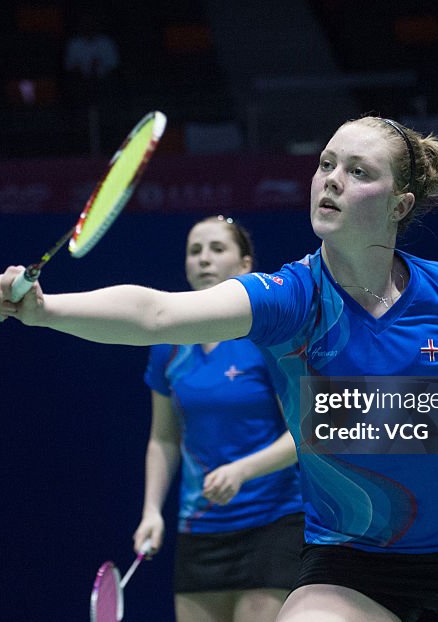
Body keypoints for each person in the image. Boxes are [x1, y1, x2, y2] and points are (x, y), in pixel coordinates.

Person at [0, 114, 438, 621]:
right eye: (325, 164)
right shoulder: (291, 298)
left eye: (357, 172)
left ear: (400, 204)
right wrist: (44, 309)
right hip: (355, 564)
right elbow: (159, 313)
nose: (330, 181)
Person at [136, 215, 304, 622]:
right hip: (201, 525)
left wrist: (243, 471)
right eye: (195, 251)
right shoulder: (168, 348)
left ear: (246, 265)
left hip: (273, 519)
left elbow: (305, 434)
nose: (204, 259)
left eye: (216, 249)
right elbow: (164, 439)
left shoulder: (269, 339)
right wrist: (152, 511)